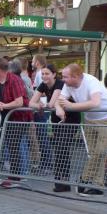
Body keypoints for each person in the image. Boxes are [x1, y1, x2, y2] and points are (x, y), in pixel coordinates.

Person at [55, 63, 107, 196]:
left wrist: (71, 106)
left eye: (65, 77)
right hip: (90, 119)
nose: (63, 79)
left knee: (99, 152)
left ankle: (84, 179)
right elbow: (59, 100)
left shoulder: (91, 81)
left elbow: (95, 102)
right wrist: (59, 109)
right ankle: (98, 186)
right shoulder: (68, 85)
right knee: (93, 153)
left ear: (75, 76)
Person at [29, 64, 75, 192]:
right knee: (59, 149)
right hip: (56, 119)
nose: (44, 76)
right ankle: (61, 181)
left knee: (63, 148)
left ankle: (62, 181)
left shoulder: (60, 84)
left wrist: (41, 104)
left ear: (54, 74)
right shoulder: (43, 85)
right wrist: (39, 105)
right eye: (43, 74)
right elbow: (31, 102)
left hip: (69, 118)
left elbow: (52, 103)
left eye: (47, 74)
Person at [0, 56, 31, 182]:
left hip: (18, 118)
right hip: (3, 117)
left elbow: (19, 102)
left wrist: (3, 106)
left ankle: (15, 176)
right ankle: (1, 172)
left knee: (14, 145)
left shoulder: (14, 80)